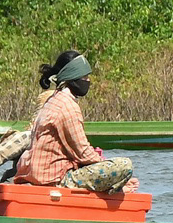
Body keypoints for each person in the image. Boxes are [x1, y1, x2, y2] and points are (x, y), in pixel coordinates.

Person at [16, 50, 138, 192]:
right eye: (85, 77)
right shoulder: (67, 106)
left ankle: (115, 187)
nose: (88, 81)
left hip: (37, 174)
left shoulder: (53, 100)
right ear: (73, 78)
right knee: (124, 165)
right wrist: (113, 175)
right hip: (53, 179)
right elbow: (83, 153)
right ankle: (116, 192)